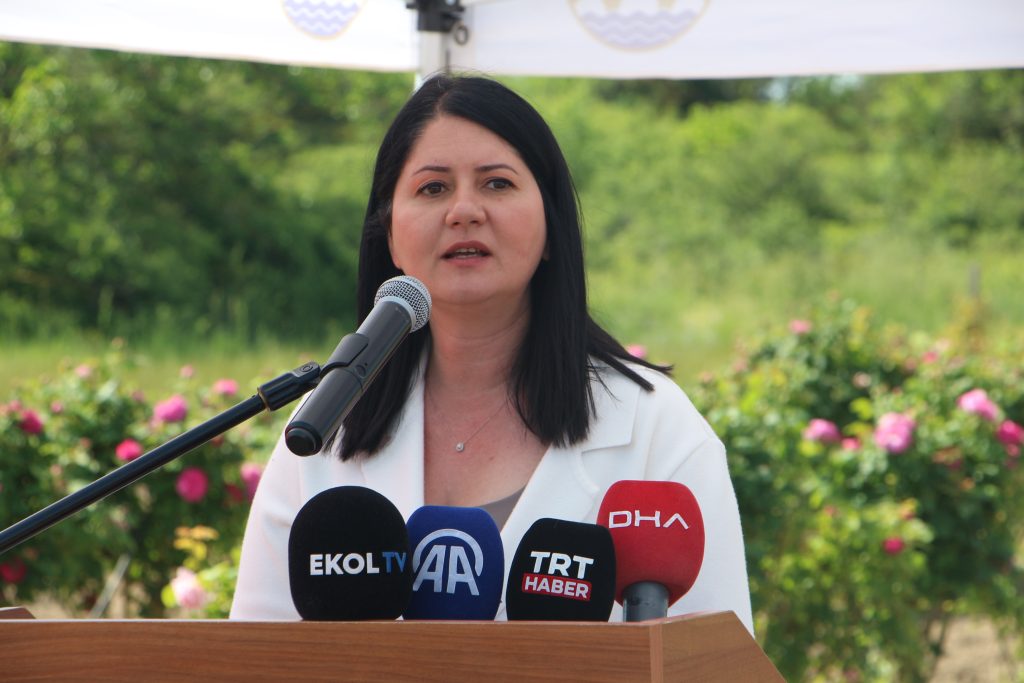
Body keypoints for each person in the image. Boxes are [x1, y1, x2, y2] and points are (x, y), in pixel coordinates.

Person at [229, 74, 753, 632]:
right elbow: (253, 655)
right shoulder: (326, 429)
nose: (464, 211)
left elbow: (714, 657)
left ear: (552, 224)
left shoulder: (655, 426)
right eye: (433, 188)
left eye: (497, 184)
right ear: (390, 235)